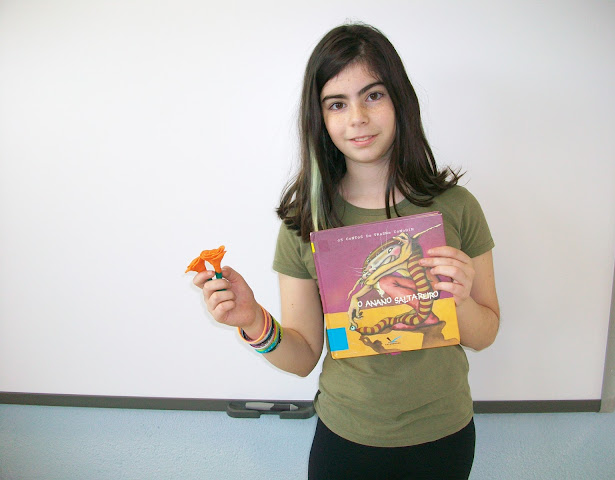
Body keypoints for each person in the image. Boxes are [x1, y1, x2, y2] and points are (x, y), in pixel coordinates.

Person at [193, 23, 499, 480]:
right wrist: (253, 322)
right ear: (320, 118)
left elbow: (485, 333)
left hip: (444, 434)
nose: (357, 117)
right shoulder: (304, 223)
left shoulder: (456, 207)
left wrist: (459, 301)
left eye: (373, 95)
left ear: (400, 100)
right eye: (337, 103)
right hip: (345, 436)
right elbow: (302, 357)